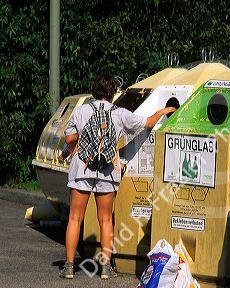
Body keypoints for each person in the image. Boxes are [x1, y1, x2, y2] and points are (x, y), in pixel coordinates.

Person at [59, 74, 176, 279]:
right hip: (107, 170)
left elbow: (69, 138)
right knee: (105, 220)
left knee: (75, 218)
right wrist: (164, 111)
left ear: (94, 91)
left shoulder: (81, 111)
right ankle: (105, 268)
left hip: (82, 168)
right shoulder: (120, 113)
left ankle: (69, 267)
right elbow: (147, 123)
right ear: (113, 92)